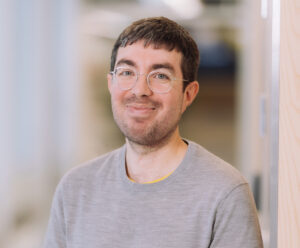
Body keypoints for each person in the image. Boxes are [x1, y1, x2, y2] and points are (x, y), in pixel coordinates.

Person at [43, 17, 263, 248]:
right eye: (127, 72)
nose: (139, 90)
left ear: (188, 94)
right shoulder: (75, 189)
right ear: (111, 84)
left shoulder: (225, 193)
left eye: (160, 76)